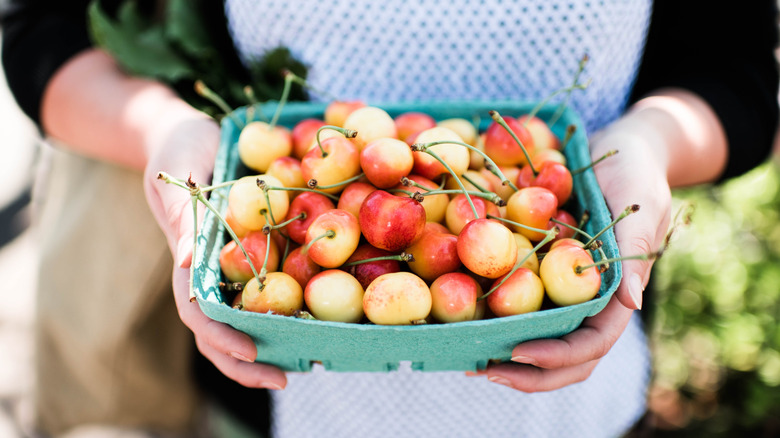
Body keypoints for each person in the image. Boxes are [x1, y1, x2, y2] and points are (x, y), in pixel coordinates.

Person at [2, 0, 778, 437]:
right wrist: (164, 133)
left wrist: (647, 141)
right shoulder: (303, 216)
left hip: (575, 403)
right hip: (273, 396)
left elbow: (741, 75)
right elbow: (46, 29)